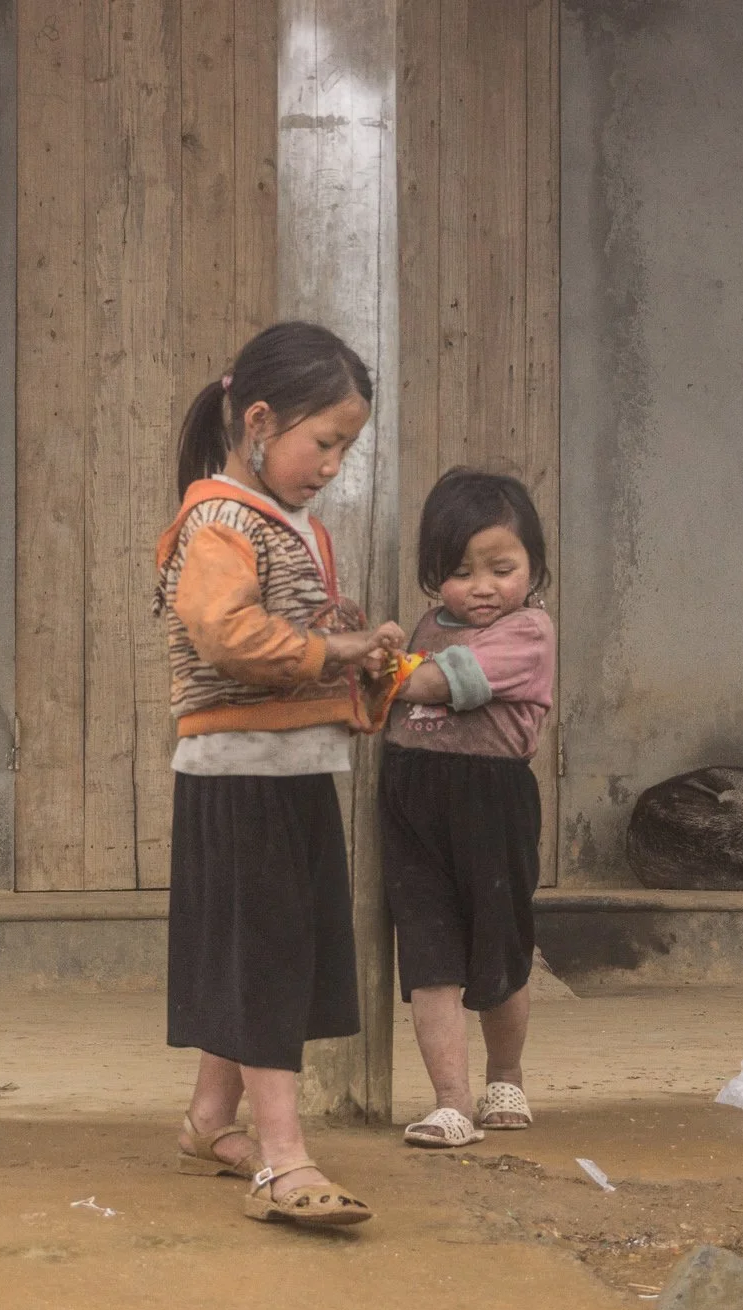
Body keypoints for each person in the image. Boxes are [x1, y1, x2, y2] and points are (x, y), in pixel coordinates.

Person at [153, 321, 391, 1226]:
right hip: (239, 774)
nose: (332, 463)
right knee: (266, 957)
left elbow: (290, 636)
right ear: (259, 420)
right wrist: (335, 646)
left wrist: (357, 650)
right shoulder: (218, 519)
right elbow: (230, 635)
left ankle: (212, 1121)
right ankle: (283, 1157)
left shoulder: (286, 523)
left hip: (286, 768)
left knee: (265, 950)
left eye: (346, 446)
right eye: (323, 441)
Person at [372, 468, 556, 1149]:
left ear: (533, 566)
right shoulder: (428, 624)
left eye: (501, 568)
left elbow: (436, 681)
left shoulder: (529, 631)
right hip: (411, 799)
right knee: (429, 955)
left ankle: (505, 1074)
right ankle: (451, 1101)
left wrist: (366, 664)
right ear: (432, 576)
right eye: (458, 571)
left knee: (500, 946)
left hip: (493, 802)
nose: (482, 587)